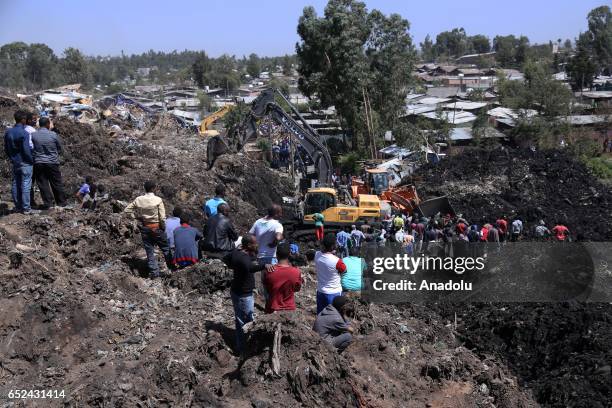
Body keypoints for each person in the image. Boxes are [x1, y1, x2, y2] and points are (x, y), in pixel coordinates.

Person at [228, 234, 273, 354]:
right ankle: (245, 348)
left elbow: (227, 259)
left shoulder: (237, 252)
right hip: (243, 295)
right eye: (255, 243)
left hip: (237, 290)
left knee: (239, 319)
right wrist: (264, 265)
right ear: (248, 245)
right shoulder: (244, 258)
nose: (257, 244)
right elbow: (250, 268)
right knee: (247, 321)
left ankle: (240, 346)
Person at [124, 181, 172, 278]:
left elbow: (127, 210)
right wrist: (163, 228)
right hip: (156, 227)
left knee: (150, 251)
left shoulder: (139, 199)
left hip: (145, 228)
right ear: (153, 188)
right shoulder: (158, 200)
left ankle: (154, 273)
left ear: (145, 188)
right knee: (166, 249)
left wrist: (136, 218)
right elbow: (162, 218)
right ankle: (172, 268)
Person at [4, 110, 35, 214]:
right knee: (26, 184)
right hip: (25, 162)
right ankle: (26, 208)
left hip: (15, 162)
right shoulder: (24, 133)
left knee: (15, 183)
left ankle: (18, 206)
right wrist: (31, 160)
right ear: (23, 120)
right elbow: (26, 150)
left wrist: (12, 158)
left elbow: (6, 149)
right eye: (25, 119)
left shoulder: (8, 132)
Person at [31, 117, 66, 209]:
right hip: (52, 162)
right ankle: (61, 202)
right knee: (56, 182)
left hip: (38, 162)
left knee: (43, 183)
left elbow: (31, 148)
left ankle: (48, 203)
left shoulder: (33, 135)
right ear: (47, 124)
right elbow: (60, 147)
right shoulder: (53, 135)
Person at [263, 243, 302, 313]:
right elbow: (297, 289)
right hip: (289, 309)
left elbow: (267, 289)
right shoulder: (296, 272)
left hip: (272, 308)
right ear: (289, 254)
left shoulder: (269, 270)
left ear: (277, 254)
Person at [315, 233, 347, 314]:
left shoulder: (317, 255)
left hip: (320, 291)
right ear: (333, 246)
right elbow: (344, 271)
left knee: (321, 316)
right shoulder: (337, 261)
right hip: (334, 293)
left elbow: (323, 253)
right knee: (335, 316)